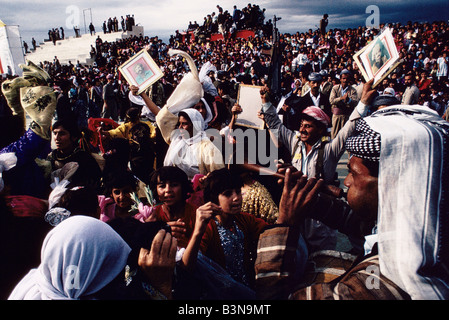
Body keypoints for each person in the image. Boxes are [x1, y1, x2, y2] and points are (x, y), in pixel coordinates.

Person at [255, 103, 449, 300]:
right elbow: (358, 222)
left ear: (391, 186)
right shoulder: (419, 235)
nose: (346, 181)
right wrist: (310, 197)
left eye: (353, 174)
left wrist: (284, 224)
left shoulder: (370, 288)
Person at [259, 79, 376, 253]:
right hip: (298, 212)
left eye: (308, 126)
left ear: (321, 130)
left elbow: (349, 128)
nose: (303, 130)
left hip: (321, 219)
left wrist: (363, 103)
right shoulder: (294, 143)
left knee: (320, 259)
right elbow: (275, 124)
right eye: (301, 125)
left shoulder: (329, 150)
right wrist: (266, 102)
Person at [8, 215, 178, 300]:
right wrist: (162, 287)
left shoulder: (36, 285)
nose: (120, 275)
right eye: (107, 267)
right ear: (87, 273)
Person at [146, 166, 197, 249]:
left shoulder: (196, 215)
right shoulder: (150, 214)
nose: (168, 190)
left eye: (174, 185)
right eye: (162, 186)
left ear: (183, 187)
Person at [46, 118, 102, 191]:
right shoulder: (52, 157)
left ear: (74, 137)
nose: (57, 138)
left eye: (62, 134)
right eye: (55, 133)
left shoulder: (84, 159)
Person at [329, 69, 359, 139]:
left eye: (347, 79)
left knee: (345, 136)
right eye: (343, 78)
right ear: (340, 79)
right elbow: (331, 100)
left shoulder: (352, 90)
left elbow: (355, 102)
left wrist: (348, 100)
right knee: (335, 136)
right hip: (336, 116)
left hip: (347, 116)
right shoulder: (335, 88)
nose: (345, 80)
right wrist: (341, 98)